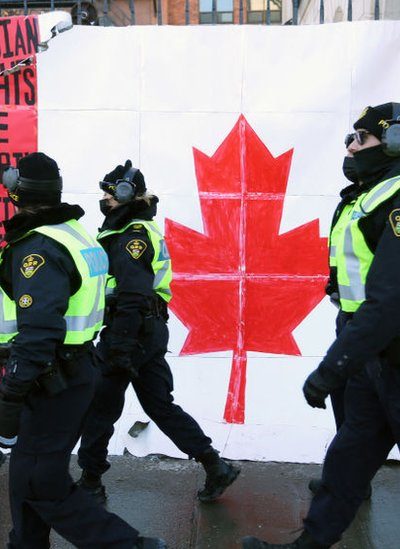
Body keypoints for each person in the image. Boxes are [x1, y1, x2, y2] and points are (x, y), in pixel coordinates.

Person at [242, 102, 400, 549]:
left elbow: (389, 301)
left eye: (361, 138)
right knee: (349, 456)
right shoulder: (369, 195)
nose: (350, 147)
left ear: (393, 143)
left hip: (386, 351)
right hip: (373, 354)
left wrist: (333, 368)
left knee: (351, 449)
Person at [0, 153, 166, 549]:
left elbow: (40, 331)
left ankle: (128, 545)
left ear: (17, 192)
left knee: (40, 479)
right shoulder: (73, 232)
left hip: (49, 377)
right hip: (72, 371)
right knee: (27, 474)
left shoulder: (38, 249)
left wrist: (12, 392)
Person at [77, 160, 240, 505]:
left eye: (109, 194)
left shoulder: (131, 236)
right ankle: (215, 465)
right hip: (147, 330)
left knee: (100, 408)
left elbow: (133, 294)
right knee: (160, 405)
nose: (104, 199)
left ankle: (90, 482)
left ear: (126, 195)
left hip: (130, 330)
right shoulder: (134, 230)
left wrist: (120, 346)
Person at [307, 155, 370, 500]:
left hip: (375, 321)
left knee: (378, 403)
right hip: (349, 315)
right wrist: (333, 285)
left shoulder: (382, 204)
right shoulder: (350, 202)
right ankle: (348, 479)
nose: (350, 157)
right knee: (345, 397)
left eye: (359, 145)